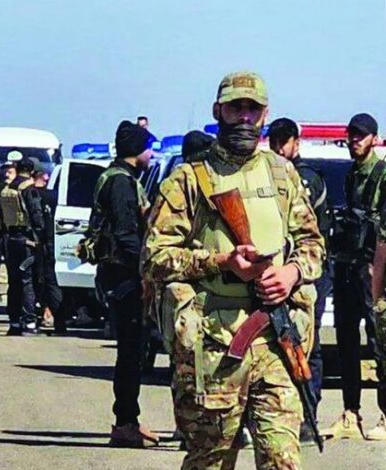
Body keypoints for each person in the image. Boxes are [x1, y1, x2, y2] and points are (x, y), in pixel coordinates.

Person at [142, 72, 325, 468]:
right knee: (211, 459)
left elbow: (313, 244)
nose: (244, 117)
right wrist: (221, 262)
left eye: (252, 109)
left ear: (265, 115)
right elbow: (154, 258)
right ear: (217, 111)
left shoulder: (283, 174)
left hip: (276, 339)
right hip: (213, 345)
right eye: (235, 108)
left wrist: (291, 273)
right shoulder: (188, 180)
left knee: (283, 460)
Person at [77, 120, 156, 447]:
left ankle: (128, 419)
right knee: (130, 352)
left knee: (132, 351)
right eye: (148, 148)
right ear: (137, 150)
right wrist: (147, 269)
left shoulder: (116, 177)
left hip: (118, 273)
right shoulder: (122, 183)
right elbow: (125, 234)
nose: (152, 155)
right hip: (124, 275)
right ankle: (125, 422)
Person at [268, 117, 332, 441]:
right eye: (275, 141)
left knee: (307, 343)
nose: (279, 148)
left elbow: (313, 235)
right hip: (271, 274)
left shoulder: (305, 179)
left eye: (285, 141)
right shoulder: (263, 175)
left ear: (296, 143)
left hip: (306, 274)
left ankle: (307, 416)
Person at [327, 113, 386, 440]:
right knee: (346, 340)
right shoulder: (351, 174)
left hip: (373, 268)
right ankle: (351, 412)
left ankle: (385, 416)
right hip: (347, 265)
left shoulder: (381, 174)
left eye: (361, 135)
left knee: (380, 343)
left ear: (374, 139)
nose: (354, 140)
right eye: (351, 135)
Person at [0, 153, 45, 336]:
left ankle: (14, 322)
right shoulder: (28, 188)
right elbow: (36, 214)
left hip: (10, 239)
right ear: (32, 171)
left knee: (14, 282)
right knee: (27, 281)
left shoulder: (7, 189)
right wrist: (41, 237)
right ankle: (30, 322)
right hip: (27, 241)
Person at [32, 168, 63, 333]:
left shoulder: (31, 194)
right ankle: (55, 317)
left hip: (39, 242)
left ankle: (48, 314)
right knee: (51, 281)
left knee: (42, 280)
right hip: (53, 241)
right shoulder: (54, 196)